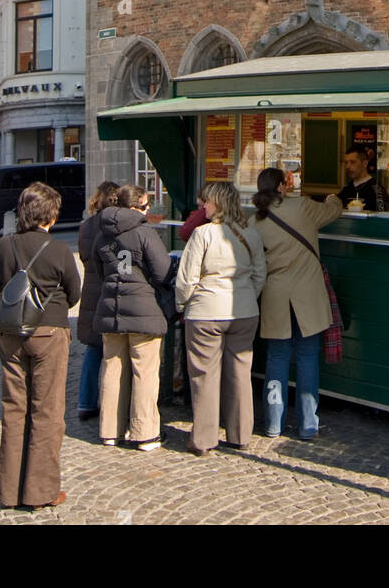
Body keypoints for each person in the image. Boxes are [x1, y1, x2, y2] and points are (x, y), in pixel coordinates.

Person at [0, 182, 81, 510]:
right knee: (47, 410)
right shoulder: (58, 250)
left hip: (11, 332)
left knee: (13, 408)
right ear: (52, 215)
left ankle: (9, 491)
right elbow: (75, 292)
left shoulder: (5, 246)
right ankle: (40, 491)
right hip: (49, 333)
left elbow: (5, 285)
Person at [176, 181, 266, 456]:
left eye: (208, 202)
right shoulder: (251, 233)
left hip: (206, 312)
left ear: (219, 203)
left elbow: (187, 278)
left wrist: (183, 305)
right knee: (240, 373)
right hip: (244, 310)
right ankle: (240, 434)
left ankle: (204, 438)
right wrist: (247, 295)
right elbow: (260, 273)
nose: (204, 206)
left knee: (204, 375)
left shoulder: (203, 234)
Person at [254, 167, 344, 441]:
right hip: (307, 293)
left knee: (277, 358)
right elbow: (333, 211)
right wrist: (333, 197)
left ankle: (273, 423)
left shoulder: (255, 221)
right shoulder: (303, 207)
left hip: (275, 294)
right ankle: (307, 425)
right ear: (281, 186)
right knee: (307, 357)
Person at [92, 183, 173, 451]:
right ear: (138, 207)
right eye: (147, 205)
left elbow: (98, 269)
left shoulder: (101, 234)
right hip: (143, 309)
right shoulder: (144, 233)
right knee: (144, 371)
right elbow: (162, 272)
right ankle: (144, 433)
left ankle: (109, 431)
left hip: (110, 308)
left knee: (112, 368)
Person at [76, 179, 120, 421]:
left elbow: (85, 257)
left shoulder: (86, 226)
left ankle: (85, 401)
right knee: (113, 350)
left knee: (93, 349)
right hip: (110, 287)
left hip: (91, 288)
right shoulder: (115, 225)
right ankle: (114, 405)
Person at [338, 144, 385, 212]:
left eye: (353, 162)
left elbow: (382, 216)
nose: (347, 166)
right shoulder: (346, 189)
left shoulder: (377, 189)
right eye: (346, 163)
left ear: (365, 163)